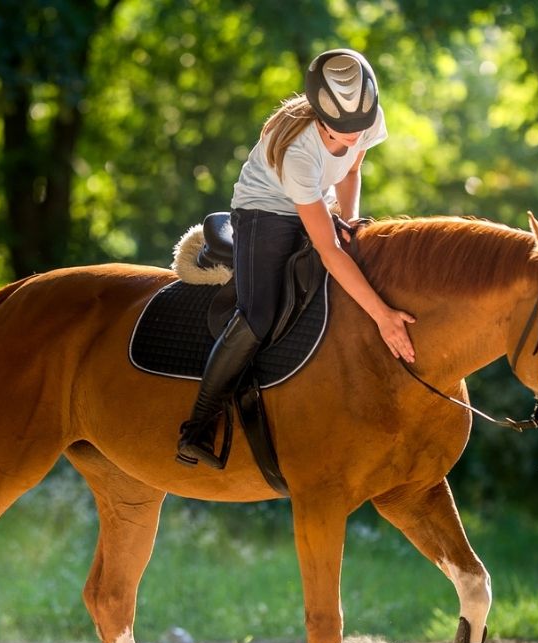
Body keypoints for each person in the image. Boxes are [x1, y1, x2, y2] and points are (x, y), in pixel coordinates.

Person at [176, 47, 418, 470]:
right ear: (322, 119)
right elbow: (328, 250)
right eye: (345, 132)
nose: (355, 138)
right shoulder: (297, 151)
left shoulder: (363, 119)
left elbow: (352, 171)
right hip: (264, 209)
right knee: (260, 315)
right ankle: (195, 427)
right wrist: (381, 315)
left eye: (361, 129)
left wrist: (351, 217)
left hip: (315, 199)